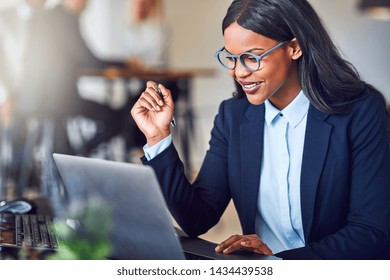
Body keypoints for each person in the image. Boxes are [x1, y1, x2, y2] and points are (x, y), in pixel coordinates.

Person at [130, 0, 390, 260]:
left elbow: (370, 232)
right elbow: (198, 218)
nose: (239, 72)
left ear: (294, 47)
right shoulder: (233, 116)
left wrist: (280, 264)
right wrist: (158, 136)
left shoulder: (361, 111)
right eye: (231, 58)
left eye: (252, 58)